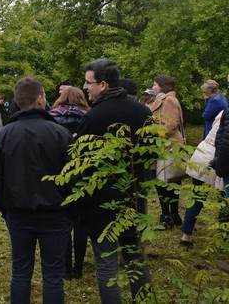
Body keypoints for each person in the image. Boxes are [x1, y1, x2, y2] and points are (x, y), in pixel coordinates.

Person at [0, 75, 74, 303]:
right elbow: (75, 176)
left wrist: (5, 207)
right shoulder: (60, 134)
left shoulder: (3, 136)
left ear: (17, 100)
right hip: (53, 213)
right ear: (40, 99)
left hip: (22, 213)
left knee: (21, 271)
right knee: (53, 275)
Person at [77, 59, 152, 303]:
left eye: (88, 82)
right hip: (133, 197)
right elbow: (151, 155)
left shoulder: (93, 117)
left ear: (103, 85)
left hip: (101, 203)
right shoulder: (143, 112)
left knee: (107, 263)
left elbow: (80, 163)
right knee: (135, 258)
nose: (85, 87)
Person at [48, 85, 89, 280]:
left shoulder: (51, 119)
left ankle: (66, 269)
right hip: (83, 174)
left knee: (63, 223)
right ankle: (78, 268)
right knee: (81, 224)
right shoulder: (89, 118)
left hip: (60, 175)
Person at [180, 109, 224, 246]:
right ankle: (223, 237)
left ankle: (185, 236)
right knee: (224, 200)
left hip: (203, 151)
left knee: (197, 197)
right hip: (215, 156)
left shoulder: (223, 112)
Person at [150, 75, 185, 229]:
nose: (152, 87)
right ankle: (173, 214)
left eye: (155, 84)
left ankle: (168, 215)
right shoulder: (164, 99)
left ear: (163, 86)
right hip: (167, 145)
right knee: (169, 180)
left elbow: (170, 124)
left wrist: (156, 138)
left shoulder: (168, 100)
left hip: (166, 145)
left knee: (165, 180)